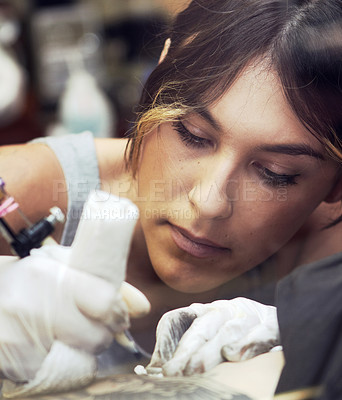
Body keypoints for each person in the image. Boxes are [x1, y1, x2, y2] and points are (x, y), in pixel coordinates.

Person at [0, 0, 341, 396]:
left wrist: (311, 326)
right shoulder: (24, 191)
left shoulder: (322, 251)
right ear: (157, 79)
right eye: (193, 135)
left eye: (275, 174)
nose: (209, 203)